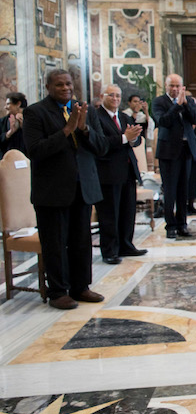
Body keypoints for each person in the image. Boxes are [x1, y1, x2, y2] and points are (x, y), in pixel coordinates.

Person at [22, 69, 109, 310]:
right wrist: (67, 130)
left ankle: (81, 287)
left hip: (83, 187)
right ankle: (58, 291)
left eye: (68, 84)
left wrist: (83, 129)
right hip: (52, 191)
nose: (65, 88)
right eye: (59, 85)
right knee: (55, 243)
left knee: (81, 240)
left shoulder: (84, 111)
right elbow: (35, 151)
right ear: (48, 87)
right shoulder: (35, 112)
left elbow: (101, 148)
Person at [92, 85, 146, 264]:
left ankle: (125, 245)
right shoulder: (96, 117)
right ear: (102, 96)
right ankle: (109, 251)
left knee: (127, 211)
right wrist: (124, 138)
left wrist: (133, 138)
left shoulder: (123, 117)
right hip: (107, 173)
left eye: (118, 95)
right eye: (111, 95)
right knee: (109, 214)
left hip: (127, 171)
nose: (115, 98)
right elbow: (100, 143)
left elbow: (135, 139)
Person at [153, 74, 196, 239]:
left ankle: (182, 224)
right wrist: (177, 106)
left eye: (177, 86)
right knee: (170, 190)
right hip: (168, 152)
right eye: (172, 86)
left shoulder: (189, 101)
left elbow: (195, 119)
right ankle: (170, 225)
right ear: (166, 86)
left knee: (183, 191)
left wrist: (185, 104)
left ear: (182, 87)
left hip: (186, 150)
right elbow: (163, 121)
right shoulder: (159, 102)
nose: (175, 89)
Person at [1, 91, 28, 157]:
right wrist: (8, 134)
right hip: (8, 161)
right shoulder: (2, 121)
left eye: (8, 104)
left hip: (27, 160)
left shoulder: (31, 119)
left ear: (18, 104)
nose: (5, 107)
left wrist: (24, 128)